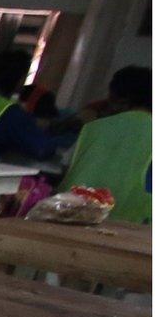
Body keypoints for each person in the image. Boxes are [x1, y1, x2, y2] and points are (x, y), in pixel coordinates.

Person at [58, 65, 152, 225]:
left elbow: (65, 167)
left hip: (70, 217)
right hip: (130, 227)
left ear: (118, 99)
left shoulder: (91, 128)